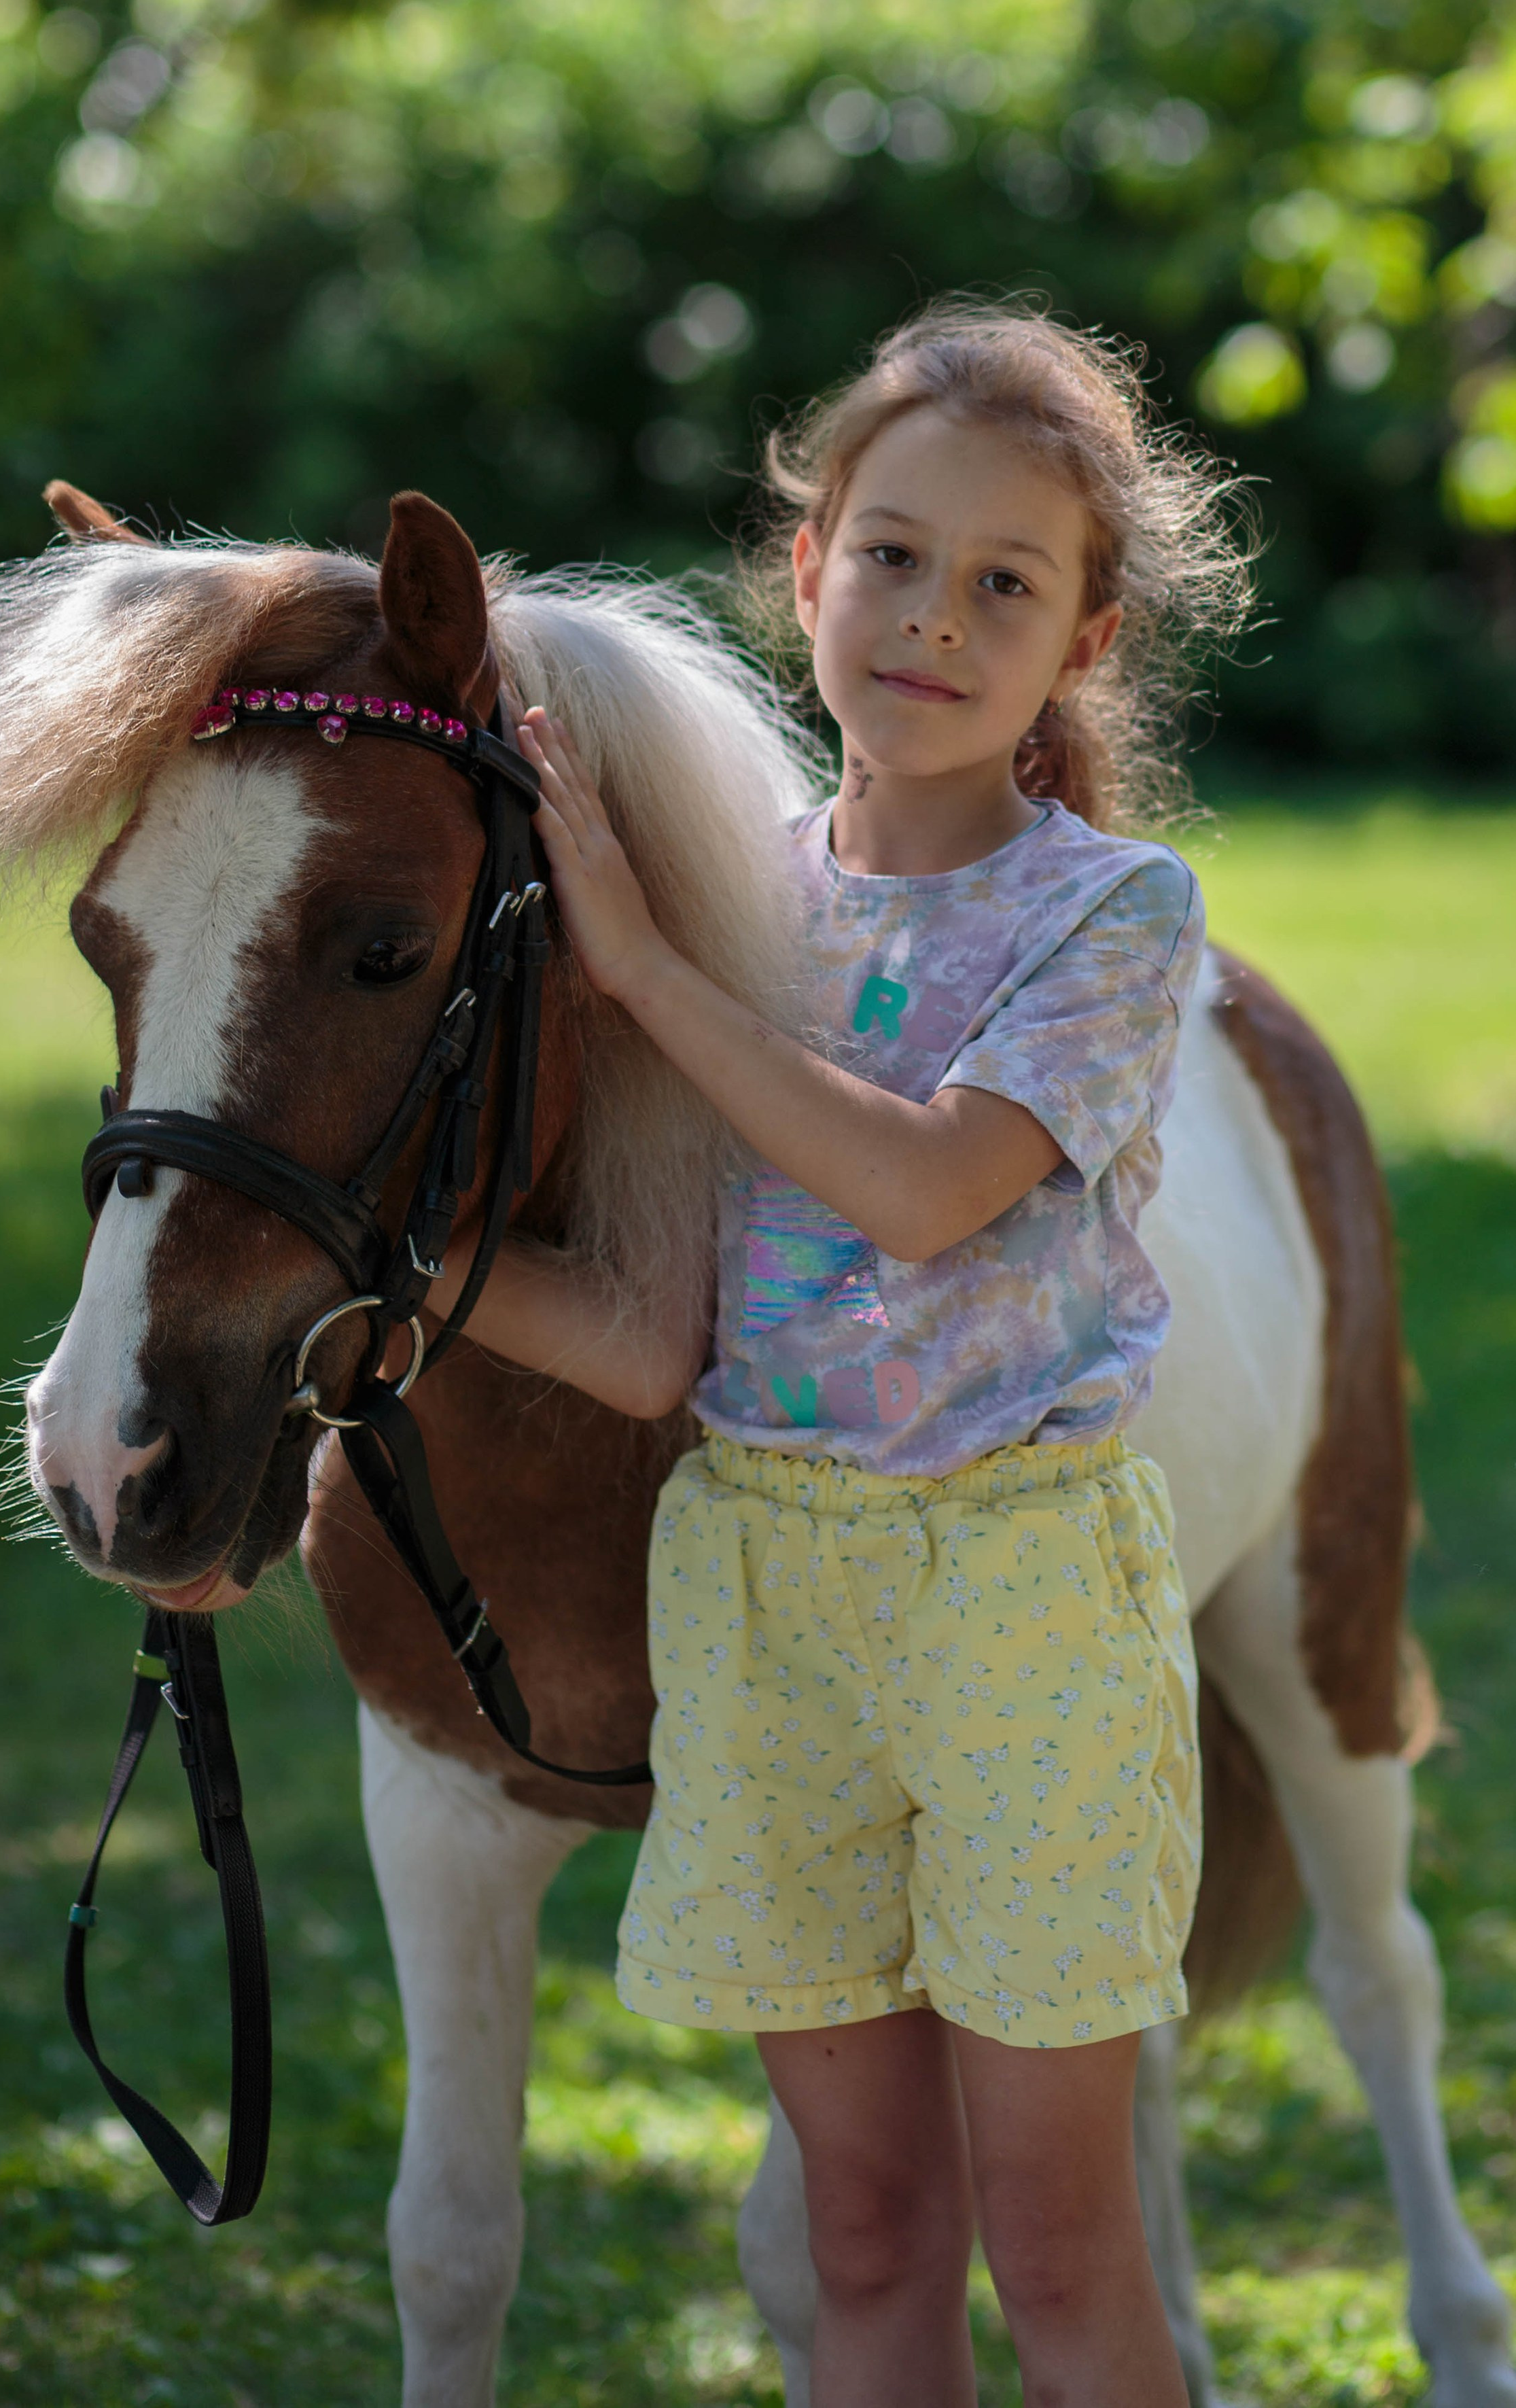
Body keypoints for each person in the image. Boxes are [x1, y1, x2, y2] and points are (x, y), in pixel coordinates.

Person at [429, 300, 1254, 2406]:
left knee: (1064, 2263)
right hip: (767, 1602)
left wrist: (646, 969)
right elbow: (644, 1351)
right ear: (803, 570)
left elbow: (919, 1188)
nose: (931, 618)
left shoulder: (1112, 915)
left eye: (1005, 583)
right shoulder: (736, 905)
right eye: (888, 553)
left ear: (1080, 645)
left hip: (1019, 1608)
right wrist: (381, 1259)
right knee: (864, 2232)